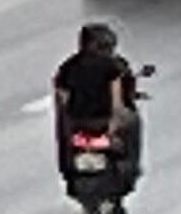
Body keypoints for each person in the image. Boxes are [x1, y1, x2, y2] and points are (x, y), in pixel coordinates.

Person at [52, 19, 140, 181]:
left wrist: (68, 126)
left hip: (77, 124)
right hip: (103, 123)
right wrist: (114, 127)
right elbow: (117, 103)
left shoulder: (68, 67)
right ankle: (130, 169)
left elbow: (62, 101)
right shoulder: (114, 66)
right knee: (133, 121)